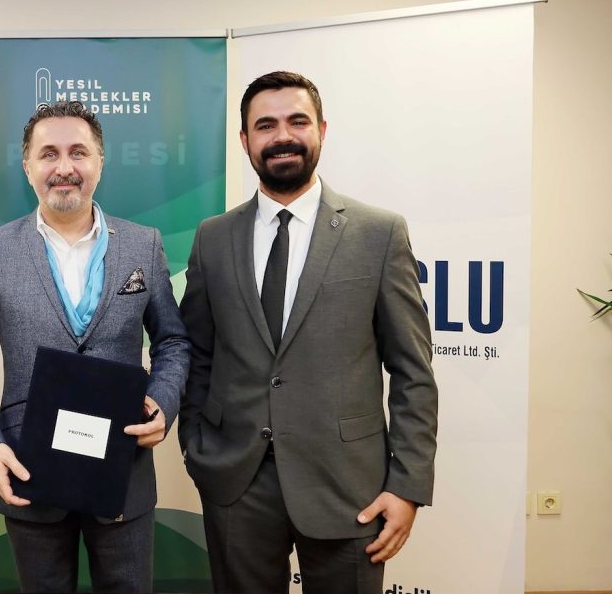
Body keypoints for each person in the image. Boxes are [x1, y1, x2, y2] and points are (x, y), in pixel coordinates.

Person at [178, 71, 438, 593]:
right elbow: (197, 353)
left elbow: (413, 370)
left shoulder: (379, 233)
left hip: (349, 485)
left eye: (297, 121)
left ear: (321, 129)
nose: (283, 136)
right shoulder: (213, 238)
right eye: (265, 125)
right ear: (245, 140)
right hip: (236, 482)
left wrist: (407, 485)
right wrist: (197, 446)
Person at [0, 100, 190, 593]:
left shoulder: (143, 244)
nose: (64, 167)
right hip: (28, 468)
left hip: (122, 468)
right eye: (48, 154)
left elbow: (173, 341)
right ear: (27, 166)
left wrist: (163, 404)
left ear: (100, 162)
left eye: (78, 152)